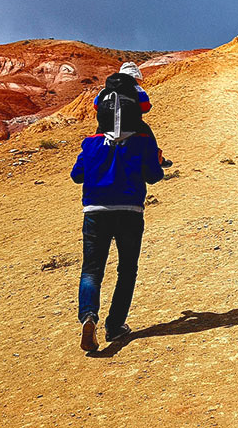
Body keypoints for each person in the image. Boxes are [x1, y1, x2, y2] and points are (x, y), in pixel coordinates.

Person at [71, 90, 164, 351]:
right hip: (129, 212)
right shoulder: (142, 141)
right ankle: (114, 325)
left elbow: (77, 175)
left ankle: (88, 316)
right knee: (126, 270)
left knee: (91, 270)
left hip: (95, 212)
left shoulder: (90, 143)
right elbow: (154, 177)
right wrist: (155, 161)